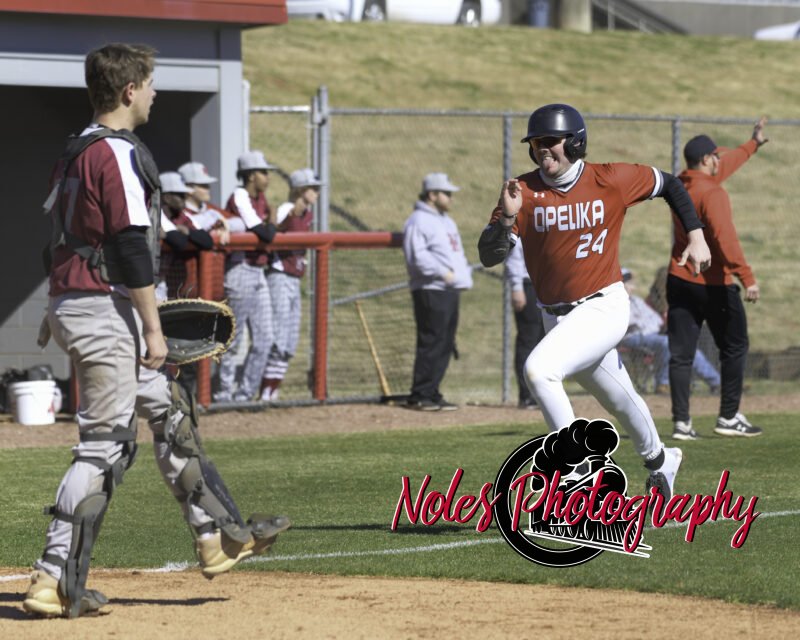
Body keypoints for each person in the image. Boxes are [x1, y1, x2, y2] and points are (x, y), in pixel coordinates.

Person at [25, 43, 289, 619]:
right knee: (105, 444)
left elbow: (62, 238)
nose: (154, 93)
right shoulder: (116, 152)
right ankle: (52, 579)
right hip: (106, 309)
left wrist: (59, 304)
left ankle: (216, 537)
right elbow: (125, 245)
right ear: (128, 91)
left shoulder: (77, 149)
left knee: (169, 408)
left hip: (87, 303)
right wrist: (154, 327)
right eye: (148, 83)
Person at [478, 103, 712, 500]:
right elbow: (489, 255)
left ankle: (580, 476)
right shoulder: (523, 192)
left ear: (575, 141)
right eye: (535, 144)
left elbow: (671, 185)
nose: (542, 150)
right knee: (619, 397)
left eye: (550, 141)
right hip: (558, 317)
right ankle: (661, 460)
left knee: (538, 371)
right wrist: (505, 220)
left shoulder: (611, 179)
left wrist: (696, 233)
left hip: (603, 304)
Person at [667, 119, 768, 440]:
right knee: (735, 347)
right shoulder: (713, 193)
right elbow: (725, 241)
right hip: (713, 284)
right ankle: (728, 417)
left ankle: (681, 424)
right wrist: (747, 277)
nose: (720, 162)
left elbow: (727, 165)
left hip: (679, 278)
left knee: (681, 354)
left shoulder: (681, 186)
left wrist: (752, 145)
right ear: (708, 159)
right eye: (716, 157)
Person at [403, 172, 473, 411]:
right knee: (432, 340)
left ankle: (431, 391)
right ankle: (420, 393)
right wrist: (444, 273)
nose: (450, 198)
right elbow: (417, 257)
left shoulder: (446, 221)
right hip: (431, 288)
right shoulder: (418, 220)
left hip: (449, 290)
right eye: (446, 193)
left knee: (444, 341)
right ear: (432, 195)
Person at [214, 150, 278, 403]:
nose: (267, 177)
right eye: (264, 172)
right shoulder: (241, 195)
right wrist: (272, 221)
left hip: (258, 271)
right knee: (234, 338)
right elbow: (264, 233)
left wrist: (272, 222)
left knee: (265, 339)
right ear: (251, 175)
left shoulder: (261, 198)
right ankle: (223, 394)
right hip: (240, 269)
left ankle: (244, 394)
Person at [261, 168, 321, 402]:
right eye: (312, 188)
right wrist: (287, 218)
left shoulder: (307, 214)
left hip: (294, 279)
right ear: (300, 190)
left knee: (290, 339)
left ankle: (273, 390)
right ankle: (265, 392)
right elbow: (276, 230)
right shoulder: (289, 209)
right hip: (280, 275)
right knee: (278, 336)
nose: (316, 192)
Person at [620, 267, 720, 400]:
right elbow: (622, 325)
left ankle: (717, 382)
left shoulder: (636, 301)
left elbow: (655, 320)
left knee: (687, 347)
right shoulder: (616, 303)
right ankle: (663, 384)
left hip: (652, 336)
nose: (632, 287)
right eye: (629, 284)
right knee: (667, 342)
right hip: (631, 337)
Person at [505, 240, 544, 409]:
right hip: (527, 284)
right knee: (529, 339)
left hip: (545, 284)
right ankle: (526, 395)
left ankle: (543, 393)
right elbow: (513, 258)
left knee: (544, 341)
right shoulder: (520, 223)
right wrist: (516, 287)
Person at [178, 161, 231, 247]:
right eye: (203, 185)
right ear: (189, 188)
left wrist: (224, 225)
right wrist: (214, 222)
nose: (208, 188)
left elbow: (240, 222)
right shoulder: (178, 211)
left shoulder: (210, 208)